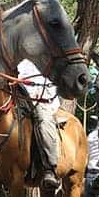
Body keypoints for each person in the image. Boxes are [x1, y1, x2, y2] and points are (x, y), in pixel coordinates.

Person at [17, 59, 62, 188]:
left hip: (38, 100)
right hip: (15, 98)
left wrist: (36, 92)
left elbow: (52, 85)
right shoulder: (15, 53)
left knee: (43, 120)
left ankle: (49, 169)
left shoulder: (48, 58)